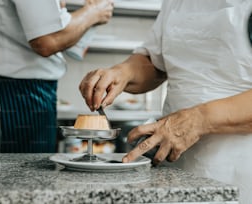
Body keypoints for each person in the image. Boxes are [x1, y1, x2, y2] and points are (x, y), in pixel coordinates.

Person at [79, 0, 252, 203]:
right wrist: (123, 72)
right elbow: (156, 62)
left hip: (240, 167)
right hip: (175, 164)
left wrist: (197, 120)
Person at [0, 0, 114, 153]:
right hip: (17, 99)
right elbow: (47, 42)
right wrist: (93, 13)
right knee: (25, 175)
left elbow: (63, 40)